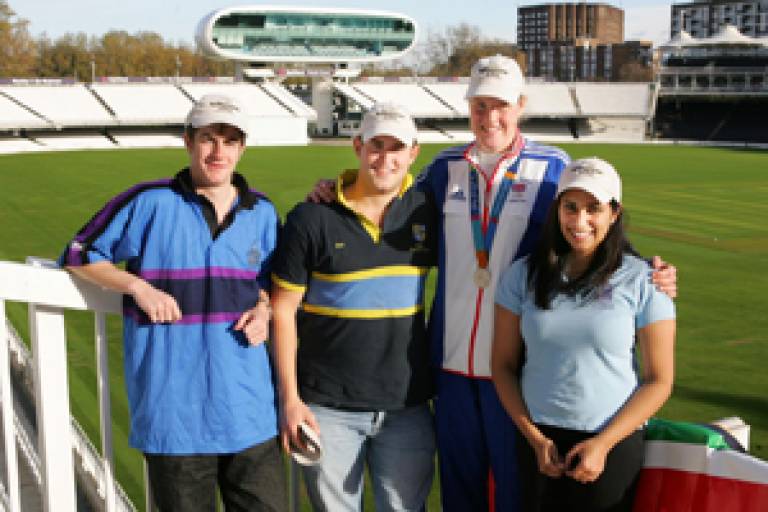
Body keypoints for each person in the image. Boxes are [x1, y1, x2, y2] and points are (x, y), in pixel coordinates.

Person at [309, 55, 676, 511]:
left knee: (514, 494)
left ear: (520, 105)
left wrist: (647, 267)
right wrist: (335, 190)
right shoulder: (444, 168)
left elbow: (589, 224)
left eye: (500, 105)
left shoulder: (552, 164)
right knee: (460, 493)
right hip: (450, 365)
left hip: (518, 372)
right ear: (469, 108)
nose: (490, 118)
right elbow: (386, 198)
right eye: (480, 106)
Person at [59, 94, 286, 511]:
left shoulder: (263, 212)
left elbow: (275, 284)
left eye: (230, 140)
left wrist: (265, 308)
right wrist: (137, 287)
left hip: (250, 412)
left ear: (242, 148)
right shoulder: (149, 201)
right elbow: (79, 253)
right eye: (208, 139)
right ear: (188, 141)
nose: (218, 152)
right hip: (174, 418)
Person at [271, 102, 437, 511]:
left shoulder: (426, 213)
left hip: (407, 406)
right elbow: (283, 311)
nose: (385, 158)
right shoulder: (311, 218)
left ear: (413, 153)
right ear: (358, 146)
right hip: (327, 409)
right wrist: (290, 399)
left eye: (396, 147)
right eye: (376, 145)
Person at [491, 157, 675, 511]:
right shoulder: (522, 275)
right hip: (539, 442)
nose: (579, 221)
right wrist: (535, 439)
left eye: (594, 208)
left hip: (612, 443)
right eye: (570, 207)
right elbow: (502, 366)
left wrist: (604, 444)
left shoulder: (644, 280)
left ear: (614, 213)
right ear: (557, 209)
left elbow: (659, 380)